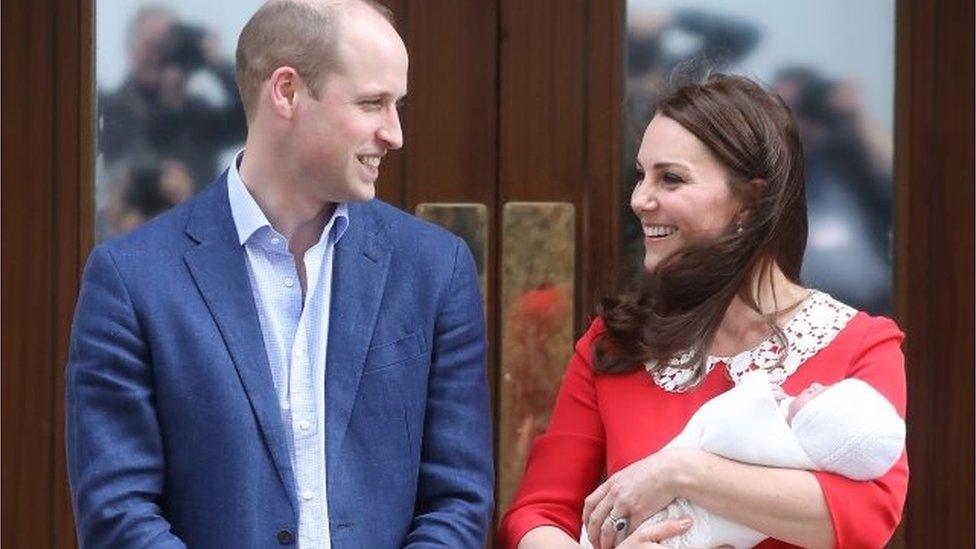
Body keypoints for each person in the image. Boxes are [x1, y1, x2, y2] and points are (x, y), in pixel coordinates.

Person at [66, 1, 494, 547]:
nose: (395, 133)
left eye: (398, 105)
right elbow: (118, 513)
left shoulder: (435, 269)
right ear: (286, 92)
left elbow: (458, 498)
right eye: (372, 103)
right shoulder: (131, 281)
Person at [498, 74, 907, 549]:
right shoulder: (615, 342)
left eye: (670, 178)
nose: (639, 199)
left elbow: (869, 515)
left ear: (750, 203)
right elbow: (538, 512)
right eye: (641, 174)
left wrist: (681, 472)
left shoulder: (859, 345)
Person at [596, 369, 905, 549]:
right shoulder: (612, 339)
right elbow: (548, 506)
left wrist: (675, 471)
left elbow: (720, 429)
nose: (817, 384)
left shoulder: (781, 445)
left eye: (821, 396)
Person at [98, 5, 247, 234]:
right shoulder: (104, 110)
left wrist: (215, 63)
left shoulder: (198, 117)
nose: (156, 55)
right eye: (149, 45)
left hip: (192, 239)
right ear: (131, 47)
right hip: (121, 236)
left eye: (166, 45)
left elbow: (252, 117)